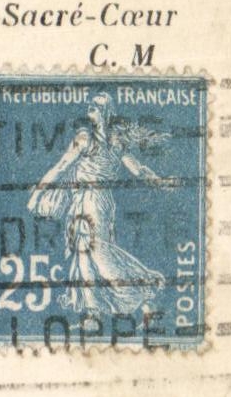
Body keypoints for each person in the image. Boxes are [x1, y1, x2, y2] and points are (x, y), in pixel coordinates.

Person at [27, 93, 171, 317]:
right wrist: (38, 192)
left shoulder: (104, 142)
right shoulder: (97, 140)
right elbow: (61, 167)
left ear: (104, 113)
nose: (90, 108)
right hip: (89, 202)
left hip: (93, 202)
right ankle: (93, 309)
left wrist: (160, 181)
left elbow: (138, 169)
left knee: (97, 252)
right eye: (90, 105)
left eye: (95, 106)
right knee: (85, 253)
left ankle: (142, 287)